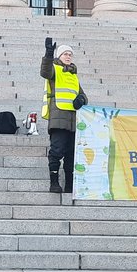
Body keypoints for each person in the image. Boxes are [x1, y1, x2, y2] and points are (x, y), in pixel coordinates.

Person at [41, 39, 87, 194]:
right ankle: (54, 183)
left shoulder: (74, 75)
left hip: (74, 121)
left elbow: (82, 95)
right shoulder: (54, 69)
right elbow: (45, 71)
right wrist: (48, 54)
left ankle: (69, 185)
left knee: (71, 154)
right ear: (59, 56)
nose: (68, 57)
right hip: (58, 117)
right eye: (65, 54)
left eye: (70, 54)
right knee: (57, 151)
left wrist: (81, 99)